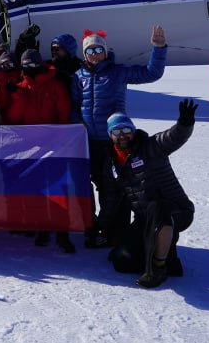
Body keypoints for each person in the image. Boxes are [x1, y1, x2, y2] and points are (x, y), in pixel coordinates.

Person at [72, 25, 168, 248]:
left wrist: (159, 48)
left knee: (113, 189)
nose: (95, 55)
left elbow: (152, 73)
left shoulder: (118, 72)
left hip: (115, 142)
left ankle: (111, 230)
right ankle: (91, 226)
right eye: (90, 51)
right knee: (86, 187)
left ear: (105, 51)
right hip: (87, 143)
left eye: (98, 50)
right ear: (84, 54)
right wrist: (77, 124)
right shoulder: (78, 77)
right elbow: (74, 106)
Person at [106, 100, 197, 288]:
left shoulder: (150, 147)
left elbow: (173, 137)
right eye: (116, 132)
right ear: (110, 135)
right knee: (121, 261)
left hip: (176, 211)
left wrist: (184, 124)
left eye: (126, 130)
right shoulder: (113, 162)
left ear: (133, 131)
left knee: (158, 207)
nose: (122, 135)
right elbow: (114, 199)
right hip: (146, 217)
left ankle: (158, 267)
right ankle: (168, 257)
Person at [7, 48, 76, 253]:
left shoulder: (54, 86)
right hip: (29, 148)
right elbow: (13, 120)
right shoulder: (20, 87)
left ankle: (63, 233)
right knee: (35, 188)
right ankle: (42, 228)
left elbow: (64, 113)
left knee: (57, 189)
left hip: (53, 145)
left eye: (32, 64)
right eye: (25, 64)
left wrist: (62, 140)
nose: (29, 68)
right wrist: (17, 97)